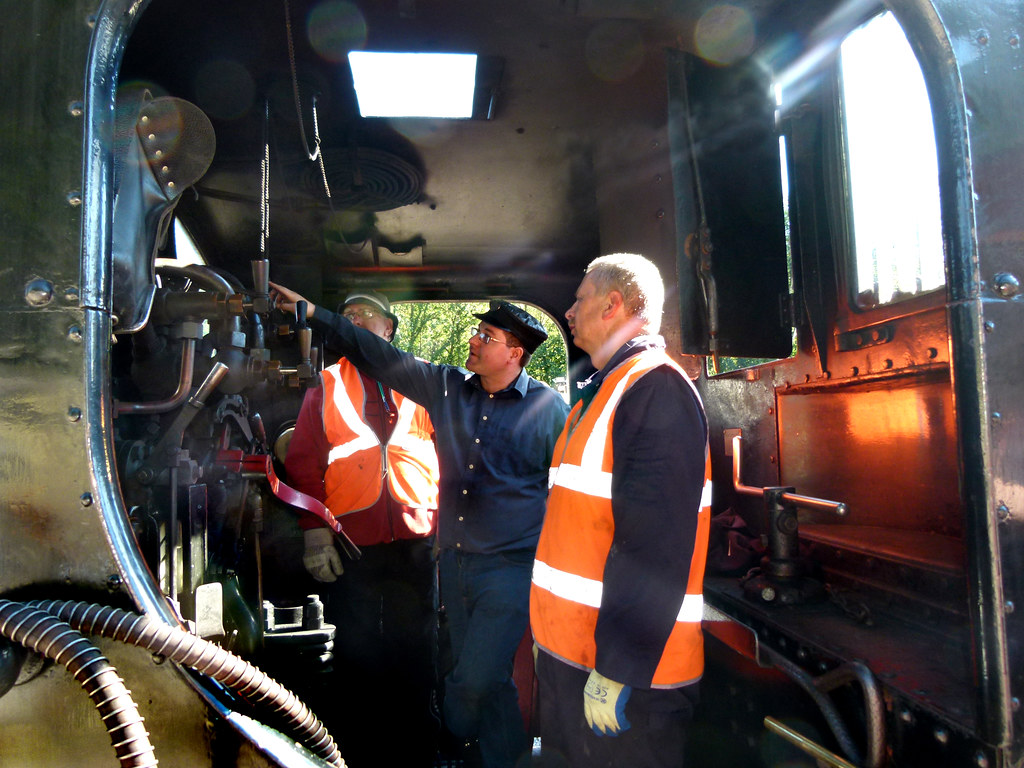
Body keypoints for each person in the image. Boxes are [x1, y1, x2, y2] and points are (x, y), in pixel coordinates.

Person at [270, 281, 571, 768]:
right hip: (449, 561)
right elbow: (374, 356)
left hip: (506, 565)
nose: (474, 340)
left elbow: (574, 490)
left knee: (468, 680)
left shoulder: (550, 410)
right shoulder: (447, 389)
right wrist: (314, 313)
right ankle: (495, 760)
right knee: (481, 677)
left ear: (514, 353)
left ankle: (446, 745)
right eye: (477, 331)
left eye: (487, 336)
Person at [530, 253, 712, 768]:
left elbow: (654, 544)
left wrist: (619, 668)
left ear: (613, 304)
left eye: (579, 299)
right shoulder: (604, 391)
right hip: (576, 658)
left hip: (629, 676)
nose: (568, 312)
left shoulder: (655, 389)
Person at [283, 289, 441, 768]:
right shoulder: (324, 386)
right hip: (354, 543)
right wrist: (315, 533)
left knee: (415, 643)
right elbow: (303, 463)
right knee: (354, 645)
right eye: (346, 315)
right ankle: (358, 750)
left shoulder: (426, 381)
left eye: (363, 316)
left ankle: (418, 748)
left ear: (388, 329)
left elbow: (456, 456)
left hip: (420, 540)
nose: (351, 321)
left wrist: (451, 530)